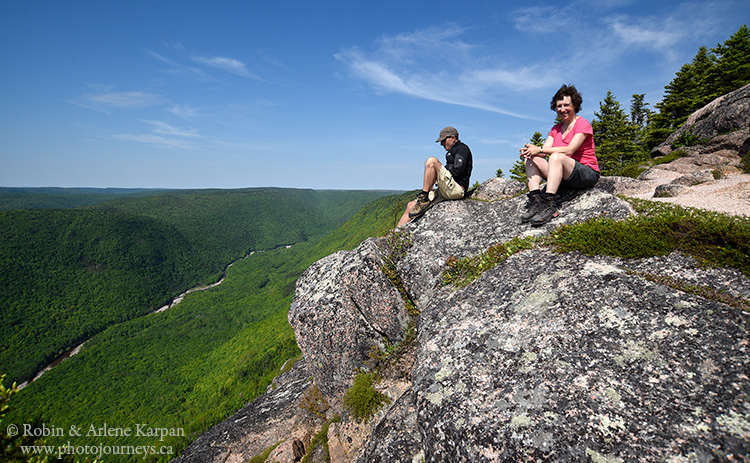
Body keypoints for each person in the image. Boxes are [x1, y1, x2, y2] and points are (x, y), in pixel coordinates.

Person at [519, 84, 600, 226]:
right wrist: (532, 151)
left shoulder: (582, 124)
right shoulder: (556, 129)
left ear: (574, 105)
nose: (562, 109)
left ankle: (550, 203)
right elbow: (544, 150)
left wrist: (539, 149)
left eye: (566, 105)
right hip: (565, 174)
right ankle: (536, 200)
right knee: (531, 158)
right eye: (559, 106)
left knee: (556, 156)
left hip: (586, 173)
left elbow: (569, 150)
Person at [398, 126, 473, 226]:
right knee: (411, 205)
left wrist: (437, 177)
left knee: (431, 161)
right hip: (447, 190)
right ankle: (393, 237)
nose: (442, 144)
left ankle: (424, 197)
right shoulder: (452, 151)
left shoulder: (462, 149)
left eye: (443, 140)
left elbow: (458, 171)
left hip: (457, 189)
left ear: (453, 138)